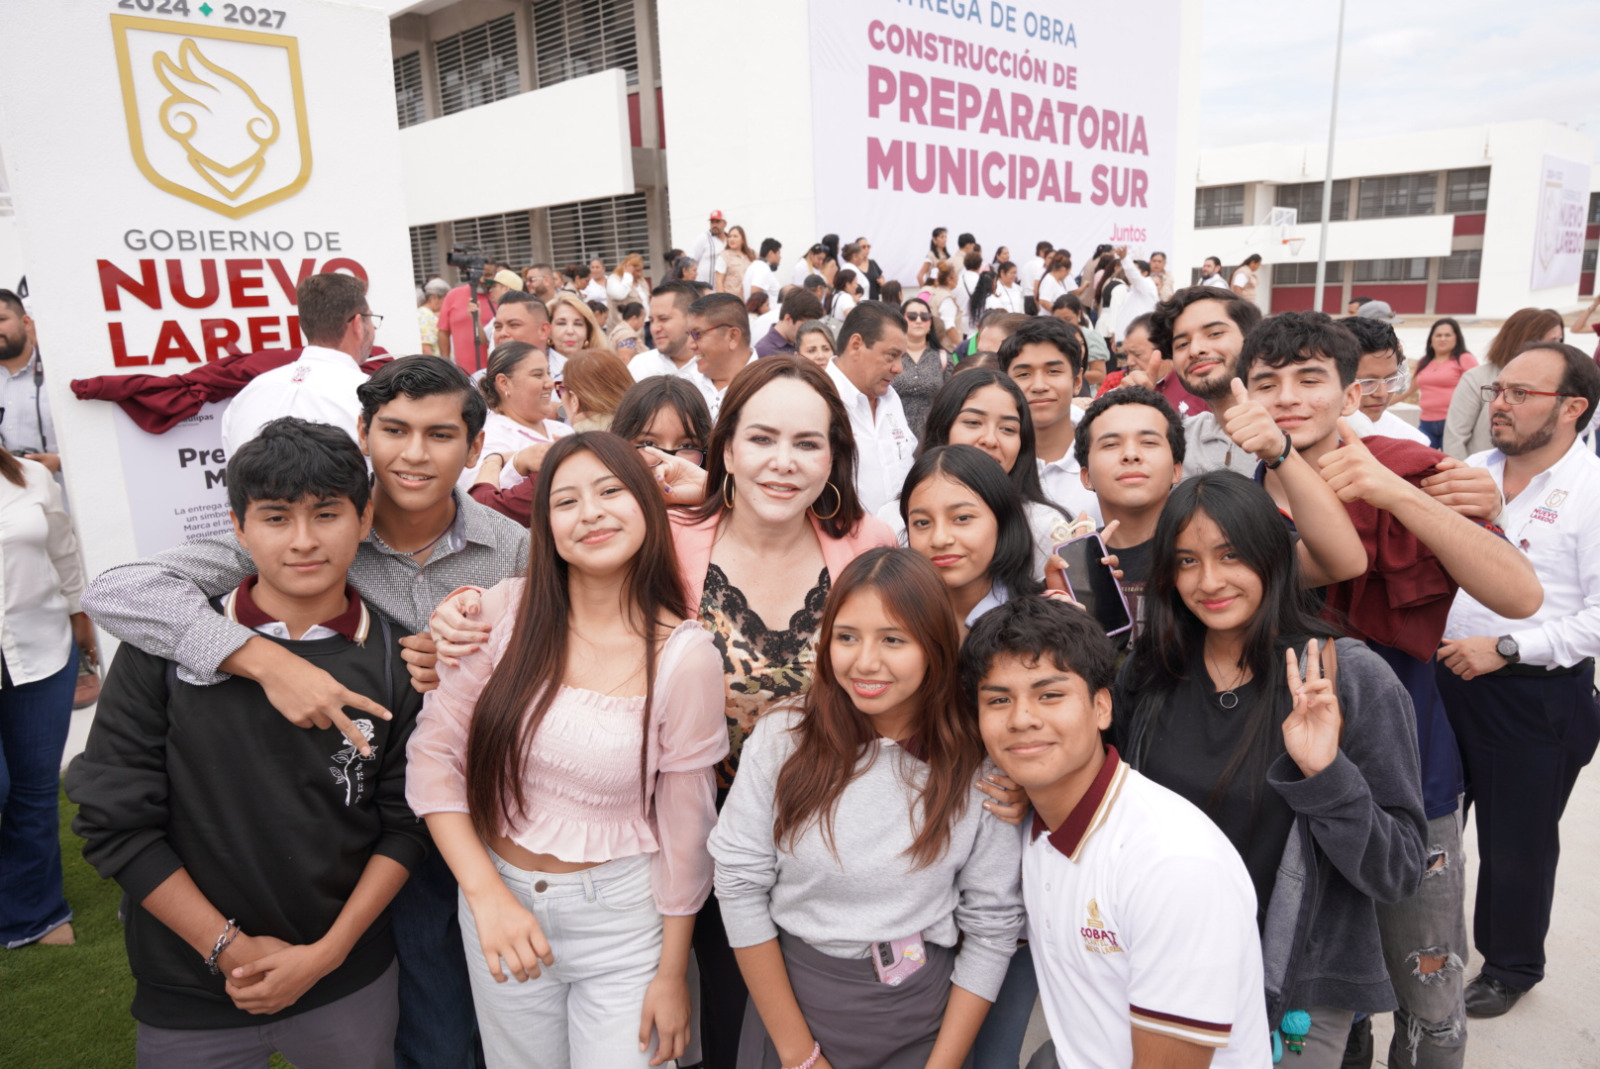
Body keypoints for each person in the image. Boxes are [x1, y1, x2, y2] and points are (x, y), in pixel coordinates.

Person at [83, 356, 527, 1069]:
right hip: (360, 835)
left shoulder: (513, 550)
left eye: (440, 433)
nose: (414, 452)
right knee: (423, 1019)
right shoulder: (315, 520)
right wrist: (263, 659)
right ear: (365, 433)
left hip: (471, 814)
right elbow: (118, 591)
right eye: (395, 430)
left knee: (488, 1015)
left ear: (476, 448)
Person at [67, 418, 428, 1067]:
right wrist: (224, 947)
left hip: (348, 978)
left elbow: (405, 824)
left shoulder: (398, 657)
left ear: (365, 513)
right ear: (236, 526)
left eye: (326, 513)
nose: (303, 541)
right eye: (274, 517)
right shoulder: (168, 644)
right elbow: (115, 819)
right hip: (190, 984)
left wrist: (328, 953)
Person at [407, 432, 728, 1069]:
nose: (592, 513)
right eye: (566, 501)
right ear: (545, 526)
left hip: (622, 922)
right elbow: (434, 758)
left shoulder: (685, 656)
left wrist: (671, 972)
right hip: (499, 907)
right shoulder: (507, 612)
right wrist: (486, 896)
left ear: (645, 505)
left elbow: (688, 828)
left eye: (610, 491)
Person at [1115, 471, 1427, 1067]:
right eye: (1186, 561)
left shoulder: (1344, 677)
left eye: (1231, 555)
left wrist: (1327, 775)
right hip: (1164, 966)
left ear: (1274, 555)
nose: (1209, 581)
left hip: (1295, 987)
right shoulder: (1153, 669)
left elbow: (1400, 871)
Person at [708, 547, 1024, 1069]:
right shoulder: (785, 737)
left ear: (935, 647)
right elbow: (739, 883)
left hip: (924, 1019)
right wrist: (798, 1055)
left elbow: (992, 925)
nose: (865, 661)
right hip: (797, 1007)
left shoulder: (976, 761)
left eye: (893, 639)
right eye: (847, 636)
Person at [965, 596, 1270, 1069]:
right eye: (999, 700)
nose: (1022, 718)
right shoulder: (1028, 821)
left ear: (1101, 707)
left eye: (1050, 695)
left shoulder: (1173, 864)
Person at [1435, 342, 1600, 1020]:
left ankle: (1510, 966)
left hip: (1535, 694)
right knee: (1431, 826)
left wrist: (1509, 647)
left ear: (1572, 408)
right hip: (1444, 673)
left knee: (1516, 842)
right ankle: (1426, 947)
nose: (1499, 403)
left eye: (1520, 394)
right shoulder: (1473, 470)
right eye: (1499, 390)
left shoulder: (1591, 493)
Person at [0, 446, 89, 949]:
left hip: (42, 652)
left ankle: (33, 917)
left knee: (34, 790)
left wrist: (81, 614)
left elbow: (62, 549)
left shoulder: (32, 477)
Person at [884, 371, 1073, 578]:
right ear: (942, 428)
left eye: (1008, 429)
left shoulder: (1045, 526)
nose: (990, 440)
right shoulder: (892, 521)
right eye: (973, 422)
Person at [1072, 386, 1186, 637]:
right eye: (1111, 444)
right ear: (1086, 476)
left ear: (1177, 469)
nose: (1131, 455)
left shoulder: (1206, 548)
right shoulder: (1071, 567)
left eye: (1148, 442)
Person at [219, 272, 375, 454]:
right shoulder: (370, 397)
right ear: (357, 324)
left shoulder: (247, 396)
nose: (373, 327)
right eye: (371, 318)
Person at [900, 444, 1045, 635]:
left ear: (1003, 522)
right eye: (922, 522)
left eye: (962, 518)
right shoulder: (893, 617)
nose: (940, 539)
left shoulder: (1043, 623)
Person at [1145, 286, 1267, 477]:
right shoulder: (1176, 440)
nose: (1195, 350)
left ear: (1251, 338)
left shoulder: (1296, 432)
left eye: (1215, 333)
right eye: (1182, 344)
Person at [998, 317, 1101, 524]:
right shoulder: (992, 454)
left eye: (1053, 371)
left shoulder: (1105, 449)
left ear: (1077, 381)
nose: (1039, 386)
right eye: (1024, 374)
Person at [826, 301, 917, 514]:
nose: (899, 369)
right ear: (856, 345)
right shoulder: (817, 398)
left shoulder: (891, 399)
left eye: (901, 357)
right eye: (891, 355)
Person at [1442, 309, 1564, 460]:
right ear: (1527, 340)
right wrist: (1462, 476)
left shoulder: (1557, 383)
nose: (1560, 348)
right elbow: (1455, 438)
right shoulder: (1477, 378)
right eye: (1553, 341)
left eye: (1560, 341)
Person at [463, 342, 572, 492]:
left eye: (549, 373)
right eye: (538, 375)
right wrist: (519, 464)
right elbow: (480, 499)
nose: (550, 383)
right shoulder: (488, 438)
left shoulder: (563, 430)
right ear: (504, 383)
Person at [1342, 317, 1431, 446]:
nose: (1382, 394)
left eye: (1391, 380)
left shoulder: (1412, 443)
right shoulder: (1307, 436)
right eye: (1367, 382)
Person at [1097, 313, 1206, 417]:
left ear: (1163, 349)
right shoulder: (1122, 383)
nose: (1129, 362)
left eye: (1137, 354)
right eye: (1126, 354)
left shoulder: (1197, 385)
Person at [0, 290, 59, 472]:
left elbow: (99, 435)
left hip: (67, 495)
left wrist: (60, 462)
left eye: (1, 320)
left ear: (26, 322)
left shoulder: (59, 372)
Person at [1402, 318, 1476, 450]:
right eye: (1438, 335)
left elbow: (1477, 389)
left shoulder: (1465, 359)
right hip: (1426, 424)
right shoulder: (1424, 362)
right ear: (1431, 339)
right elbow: (1409, 390)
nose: (1443, 339)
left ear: (1457, 338)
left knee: (1450, 463)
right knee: (1420, 459)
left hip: (1454, 423)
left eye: (1448, 335)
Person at [683, 292, 758, 421]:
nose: (689, 345)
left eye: (697, 334)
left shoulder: (770, 386)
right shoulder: (684, 385)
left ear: (732, 337)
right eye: (688, 334)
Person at [440, 269, 519, 373]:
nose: (490, 290)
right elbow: (484, 339)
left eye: (494, 286)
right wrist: (476, 318)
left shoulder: (519, 315)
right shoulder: (497, 316)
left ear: (506, 289)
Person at [892, 297, 949, 438]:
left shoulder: (943, 358)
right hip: (894, 435)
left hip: (932, 436)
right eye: (912, 316)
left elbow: (950, 400)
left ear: (930, 323)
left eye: (924, 317)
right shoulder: (891, 356)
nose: (918, 321)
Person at [630, 281, 701, 382]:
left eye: (663, 319)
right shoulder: (639, 366)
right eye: (651, 320)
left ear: (690, 318)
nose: (654, 329)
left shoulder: (718, 368)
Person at [560, 348, 634, 432]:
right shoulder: (644, 430)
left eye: (561, 389)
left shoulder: (578, 443)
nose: (560, 397)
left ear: (574, 401)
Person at [548, 292, 613, 386]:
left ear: (588, 331)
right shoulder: (532, 366)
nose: (570, 331)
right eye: (561, 323)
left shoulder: (604, 368)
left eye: (578, 324)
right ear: (548, 330)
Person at [1111, 248, 1159, 347]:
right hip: (1124, 341)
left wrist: (1124, 259)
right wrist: (1116, 336)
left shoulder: (1146, 285)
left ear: (1144, 273)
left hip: (1136, 343)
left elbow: (1134, 275)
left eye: (1135, 269)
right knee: (1124, 363)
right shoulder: (1132, 291)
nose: (1127, 272)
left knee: (1134, 363)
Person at [755, 291, 824, 359]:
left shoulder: (800, 342)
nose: (809, 331)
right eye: (805, 326)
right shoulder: (765, 351)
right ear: (788, 319)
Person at [744, 239, 783, 305]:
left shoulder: (755, 265)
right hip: (767, 314)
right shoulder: (762, 268)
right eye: (778, 253)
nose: (780, 257)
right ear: (771, 253)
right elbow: (755, 294)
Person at [1035, 252, 1072, 317]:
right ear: (1063, 269)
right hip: (1048, 319)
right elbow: (1044, 301)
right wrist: (1060, 314)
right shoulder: (1049, 280)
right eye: (1068, 272)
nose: (1067, 275)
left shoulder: (1058, 281)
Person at [419, 278, 449, 356]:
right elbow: (425, 349)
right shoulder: (425, 316)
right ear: (434, 298)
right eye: (445, 300)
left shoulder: (426, 314)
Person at [721, 226, 754, 298]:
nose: (731, 239)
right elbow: (719, 282)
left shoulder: (751, 255)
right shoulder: (724, 256)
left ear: (743, 239)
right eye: (729, 236)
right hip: (732, 300)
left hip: (749, 299)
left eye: (735, 236)